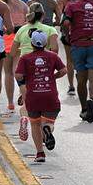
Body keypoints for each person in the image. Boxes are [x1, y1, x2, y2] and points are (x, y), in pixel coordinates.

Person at [15, 29, 66, 163]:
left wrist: (27, 79)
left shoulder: (25, 58)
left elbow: (18, 75)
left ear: (32, 44)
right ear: (45, 43)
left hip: (33, 97)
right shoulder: (52, 56)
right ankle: (47, 129)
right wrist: (53, 76)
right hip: (50, 95)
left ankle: (40, 153)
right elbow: (64, 70)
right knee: (48, 122)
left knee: (35, 124)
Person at [0, 0, 30, 114]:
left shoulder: (0, 5)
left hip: (6, 39)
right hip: (19, 37)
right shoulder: (23, 5)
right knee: (17, 69)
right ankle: (22, 92)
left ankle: (10, 102)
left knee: (7, 73)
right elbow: (28, 21)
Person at [56, 0, 80, 95]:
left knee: (69, 60)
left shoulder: (61, 0)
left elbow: (60, 18)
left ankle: (71, 86)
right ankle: (81, 82)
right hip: (80, 32)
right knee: (80, 59)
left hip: (67, 33)